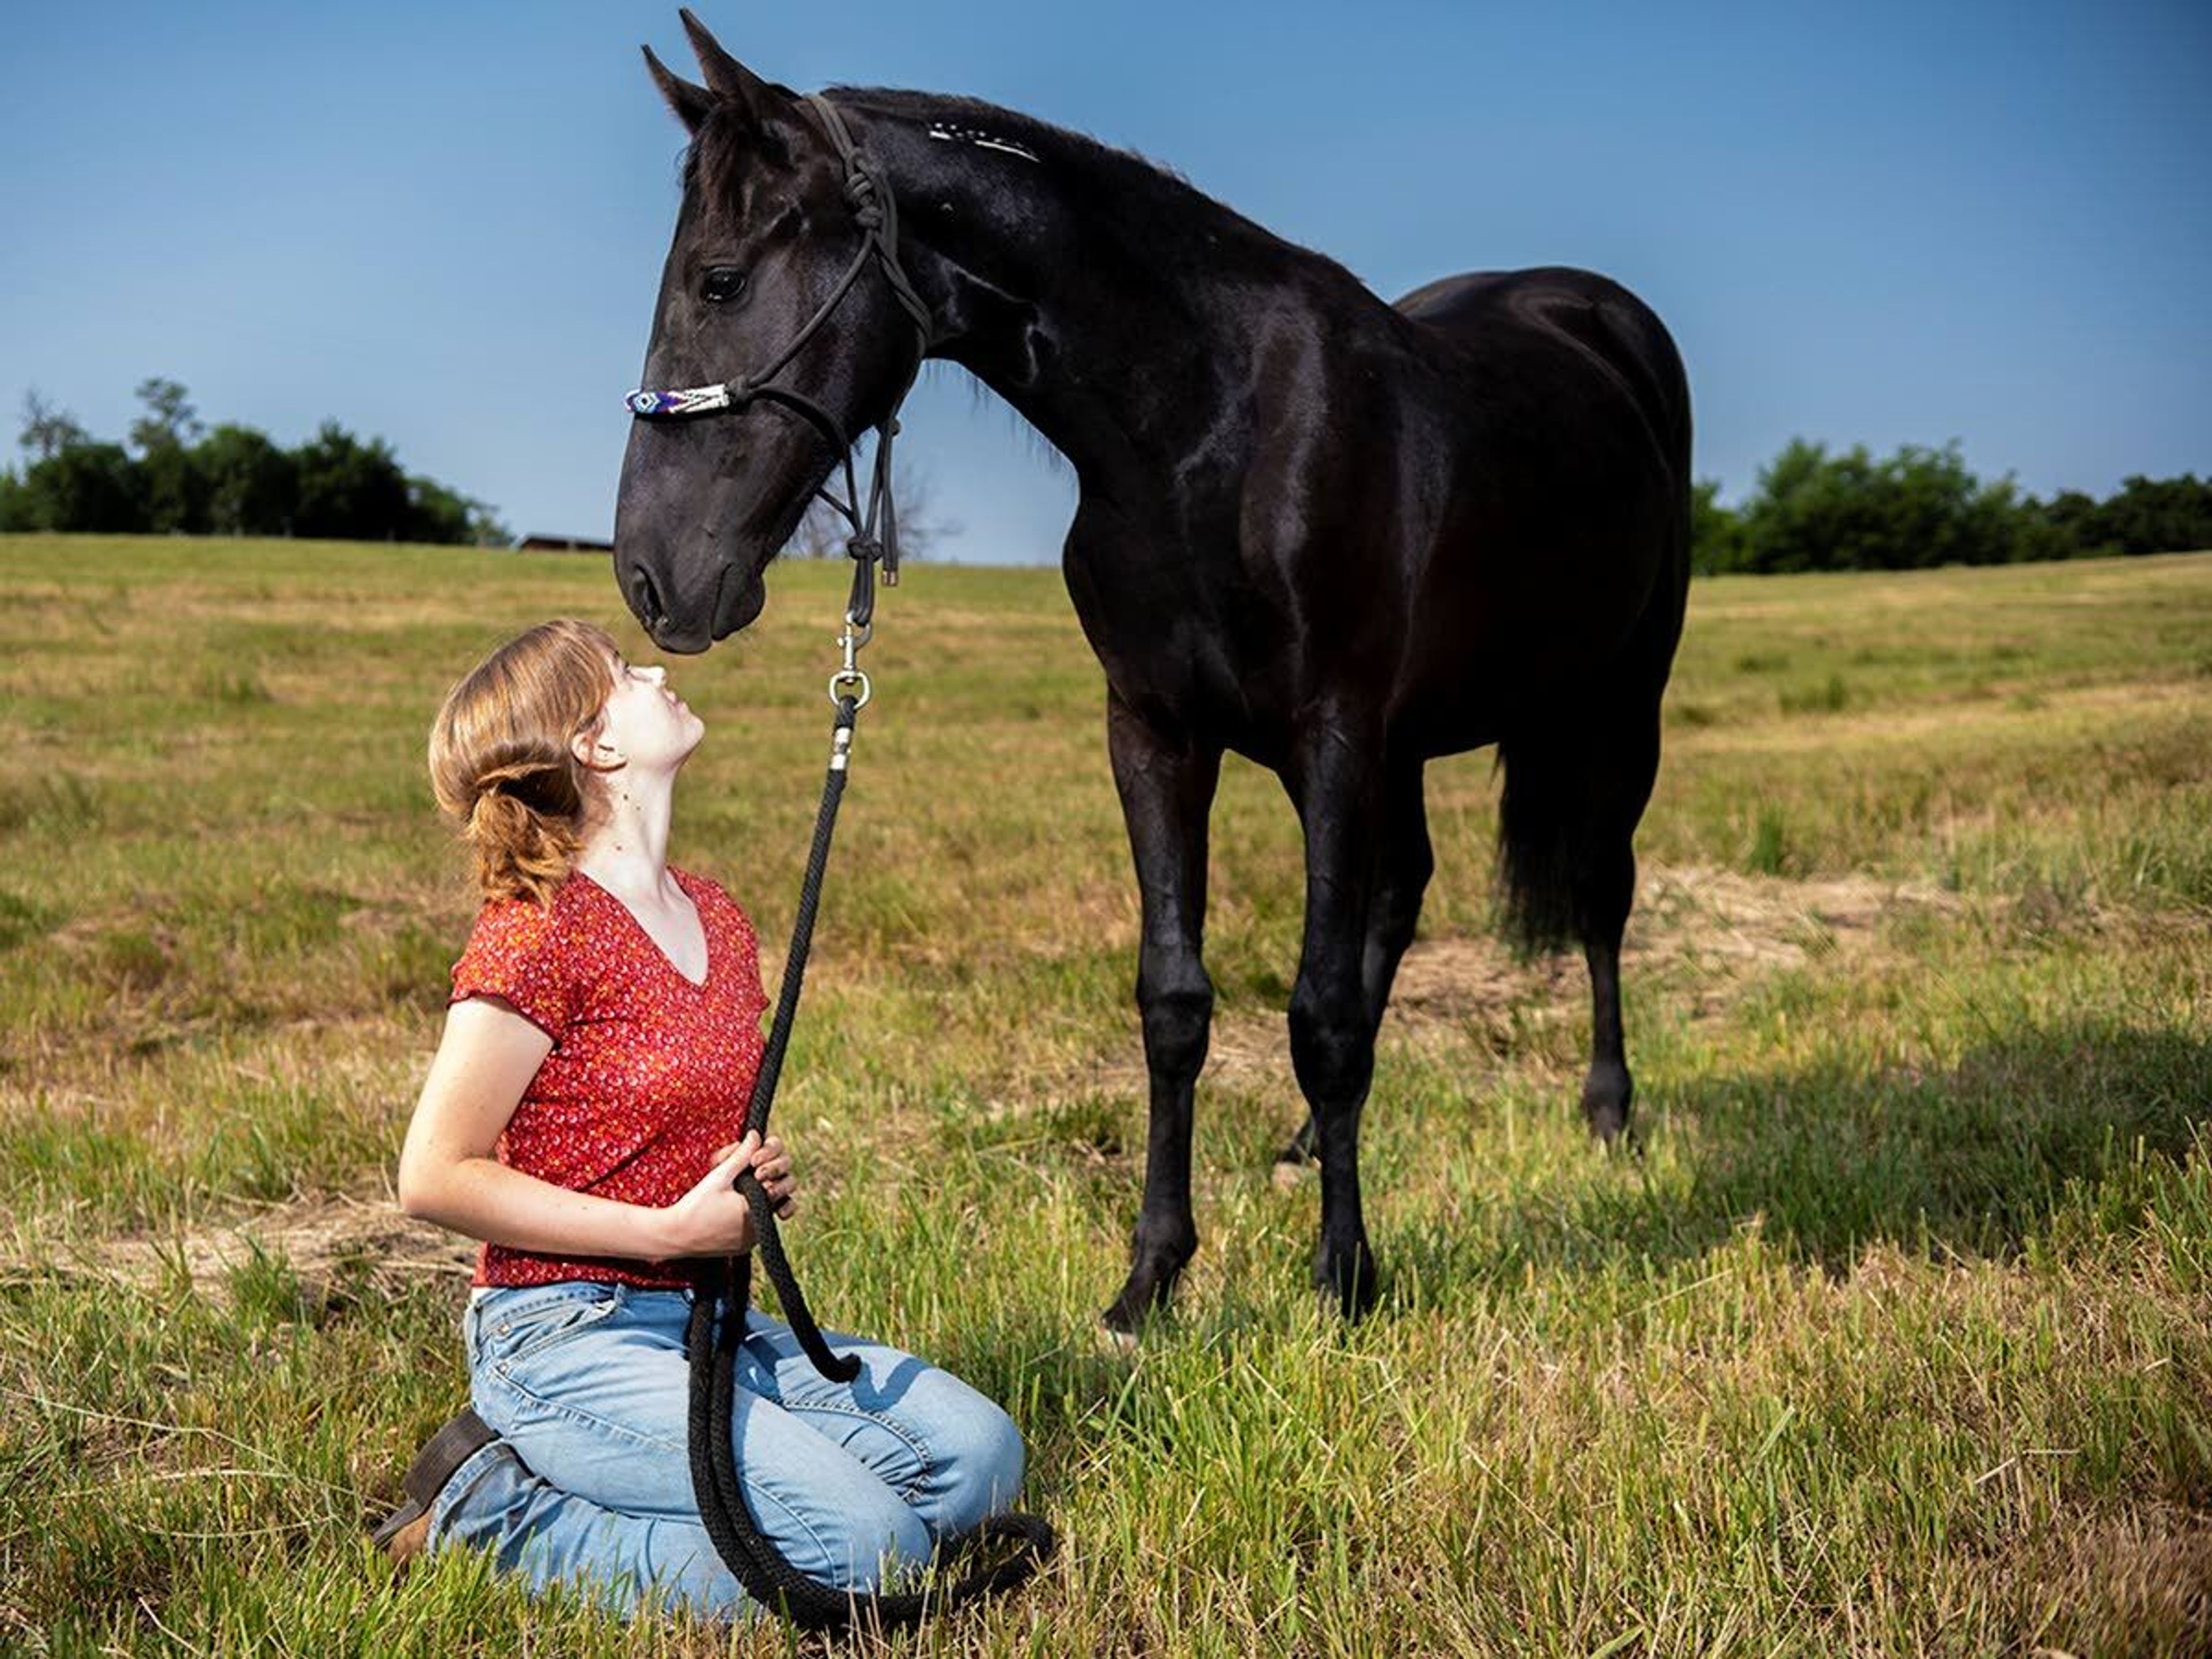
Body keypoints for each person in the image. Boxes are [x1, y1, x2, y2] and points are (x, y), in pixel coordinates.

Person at [377, 618, 1026, 1621]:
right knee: (863, 1552)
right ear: (593, 746)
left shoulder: (718, 917)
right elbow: (435, 1173)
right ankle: (487, 1514)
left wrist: (746, 1179)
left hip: (705, 1321)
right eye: (626, 673)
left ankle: (755, 1502)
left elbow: (672, 1129)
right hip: (563, 1333)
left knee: (983, 1463)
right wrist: (664, 1231)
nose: (657, 672)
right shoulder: (536, 932)